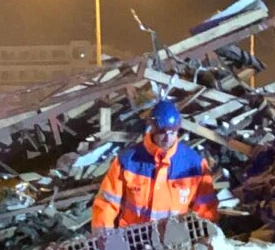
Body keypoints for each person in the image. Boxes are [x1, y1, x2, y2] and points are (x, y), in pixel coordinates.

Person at [91, 98, 218, 229]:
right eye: (162, 133)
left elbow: (206, 209)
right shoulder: (128, 161)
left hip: (172, 242)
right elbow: (107, 204)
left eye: (172, 132)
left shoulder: (194, 164)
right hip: (131, 240)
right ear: (152, 129)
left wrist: (204, 239)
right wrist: (103, 239)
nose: (167, 138)